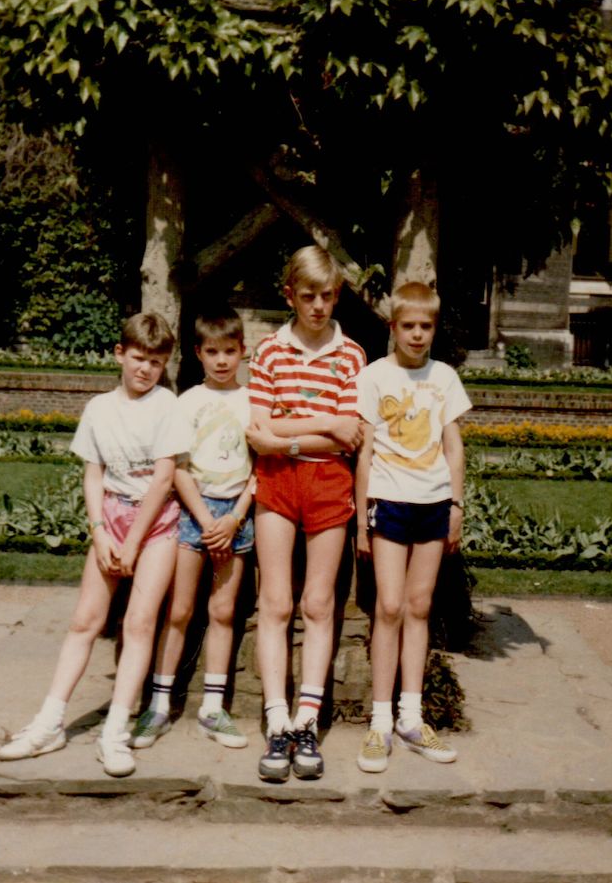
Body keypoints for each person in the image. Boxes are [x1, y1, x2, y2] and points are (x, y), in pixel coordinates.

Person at [0, 313, 187, 777]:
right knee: (85, 620)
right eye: (138, 358)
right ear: (120, 354)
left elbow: (164, 479)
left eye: (156, 362)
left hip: (156, 524)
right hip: (112, 518)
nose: (145, 369)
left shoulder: (167, 405)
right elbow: (93, 473)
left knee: (139, 624)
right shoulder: (99, 408)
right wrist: (100, 531)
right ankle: (49, 724)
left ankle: (115, 731)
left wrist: (134, 541)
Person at [244, 245, 366, 783]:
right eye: (308, 295)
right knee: (275, 601)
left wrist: (287, 433)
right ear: (289, 294)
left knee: (318, 602)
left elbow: (350, 434)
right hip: (277, 480)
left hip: (329, 482)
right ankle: (277, 721)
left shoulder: (352, 355)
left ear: (337, 296)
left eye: (327, 296)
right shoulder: (269, 352)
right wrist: (321, 426)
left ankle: (307, 721)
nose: (318, 306)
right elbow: (259, 428)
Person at [353, 281, 469, 774]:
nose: (417, 335)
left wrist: (457, 505)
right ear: (393, 327)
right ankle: (380, 721)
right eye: (408, 326)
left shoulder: (444, 378)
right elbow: (364, 453)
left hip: (433, 502)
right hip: (389, 501)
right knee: (389, 606)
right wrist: (361, 519)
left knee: (419, 607)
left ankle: (411, 717)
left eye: (425, 326)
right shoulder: (375, 376)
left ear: (434, 328)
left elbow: (453, 446)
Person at [131, 304, 256, 753]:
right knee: (180, 610)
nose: (222, 360)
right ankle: (158, 705)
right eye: (212, 352)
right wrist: (205, 519)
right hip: (194, 513)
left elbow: (260, 469)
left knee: (223, 612)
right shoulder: (187, 402)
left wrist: (234, 517)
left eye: (230, 351)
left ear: (243, 351)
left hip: (235, 517)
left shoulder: (253, 402)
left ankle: (213, 709)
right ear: (198, 353)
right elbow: (178, 468)